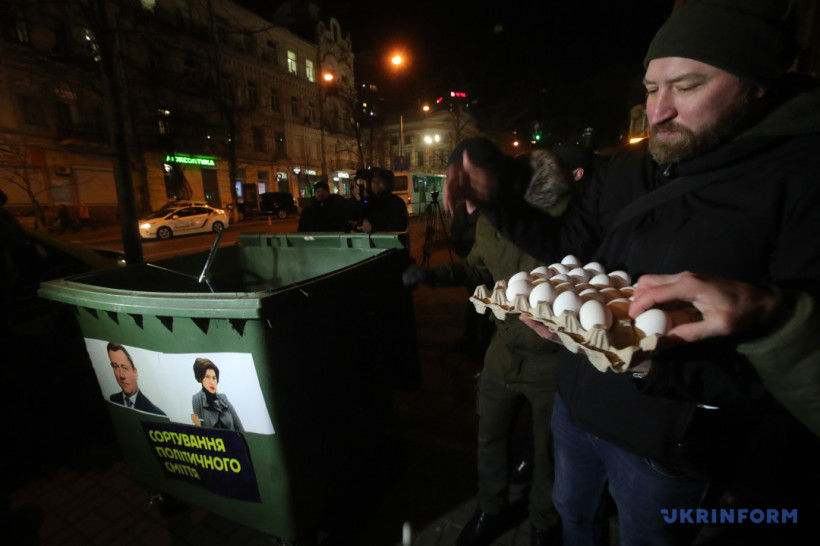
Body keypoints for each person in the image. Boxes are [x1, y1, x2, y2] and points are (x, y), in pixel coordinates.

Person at [444, 1, 820, 544]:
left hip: (659, 442)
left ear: (755, 86)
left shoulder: (800, 180)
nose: (658, 111)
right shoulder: (628, 168)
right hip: (575, 408)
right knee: (576, 518)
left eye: (687, 87)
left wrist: (657, 362)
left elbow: (790, 374)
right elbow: (563, 244)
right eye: (650, 88)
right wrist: (497, 200)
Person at [405, 143, 580, 546]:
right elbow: (478, 266)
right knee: (490, 436)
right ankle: (491, 507)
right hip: (504, 350)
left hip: (552, 358)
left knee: (548, 455)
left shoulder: (560, 212)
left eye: (466, 181)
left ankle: (542, 521)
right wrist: (431, 275)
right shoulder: (488, 218)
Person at [107, 342, 166, 416]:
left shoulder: (155, 413)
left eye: (125, 368)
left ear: (135, 373)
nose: (121, 375)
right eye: (115, 367)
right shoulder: (113, 399)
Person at [191, 358, 244, 431]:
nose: (212, 382)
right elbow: (201, 431)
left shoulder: (223, 398)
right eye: (207, 377)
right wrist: (198, 426)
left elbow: (238, 425)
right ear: (201, 378)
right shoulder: (197, 399)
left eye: (214, 378)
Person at [359, 167, 408, 233]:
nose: (376, 184)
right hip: (367, 242)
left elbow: (399, 226)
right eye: (373, 181)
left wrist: (373, 228)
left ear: (387, 183)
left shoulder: (396, 202)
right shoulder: (368, 201)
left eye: (380, 181)